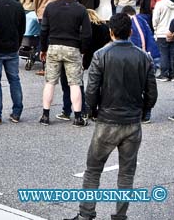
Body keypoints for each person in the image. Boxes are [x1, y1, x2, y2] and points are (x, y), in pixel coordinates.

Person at [67, 13, 158, 220]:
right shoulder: (143, 57)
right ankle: (119, 215)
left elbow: (91, 89)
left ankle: (86, 213)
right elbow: (151, 93)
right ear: (131, 32)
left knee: (93, 169)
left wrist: (94, 110)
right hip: (132, 121)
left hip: (107, 119)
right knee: (126, 173)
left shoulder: (101, 55)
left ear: (111, 32)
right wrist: (142, 111)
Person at [39, 0, 91, 127]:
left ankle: (45, 115)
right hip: (72, 47)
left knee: (50, 82)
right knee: (75, 83)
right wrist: (83, 50)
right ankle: (78, 117)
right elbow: (86, 34)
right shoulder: (80, 9)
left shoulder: (50, 7)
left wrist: (43, 48)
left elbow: (44, 30)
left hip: (54, 46)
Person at [152, 0, 174, 81]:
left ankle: (164, 73)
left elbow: (155, 19)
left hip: (162, 31)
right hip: (173, 31)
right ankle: (173, 73)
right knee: (172, 53)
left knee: (163, 53)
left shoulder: (160, 4)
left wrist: (155, 28)